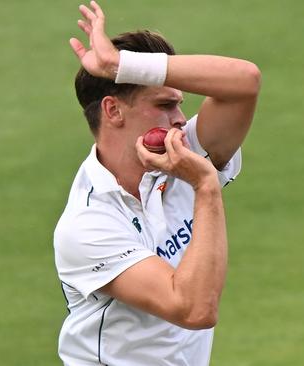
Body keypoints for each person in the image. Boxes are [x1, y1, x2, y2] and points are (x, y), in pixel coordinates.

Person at [53, 1, 260, 365]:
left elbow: (245, 83)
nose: (181, 119)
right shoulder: (88, 224)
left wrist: (123, 65)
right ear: (113, 111)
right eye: (165, 105)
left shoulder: (178, 154)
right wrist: (206, 187)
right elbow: (194, 308)